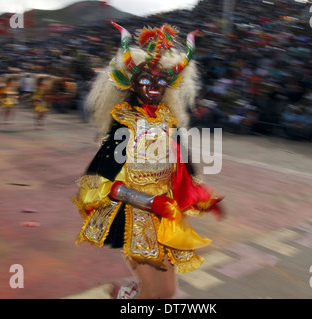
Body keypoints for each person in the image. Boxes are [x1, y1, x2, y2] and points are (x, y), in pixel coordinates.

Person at [74, 22, 223, 299]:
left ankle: (124, 294)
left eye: (161, 80)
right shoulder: (124, 122)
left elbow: (185, 165)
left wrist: (203, 196)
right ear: (130, 84)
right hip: (134, 216)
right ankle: (126, 295)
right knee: (155, 297)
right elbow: (103, 182)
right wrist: (149, 202)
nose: (154, 85)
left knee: (166, 294)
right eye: (145, 79)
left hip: (166, 217)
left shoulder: (169, 119)